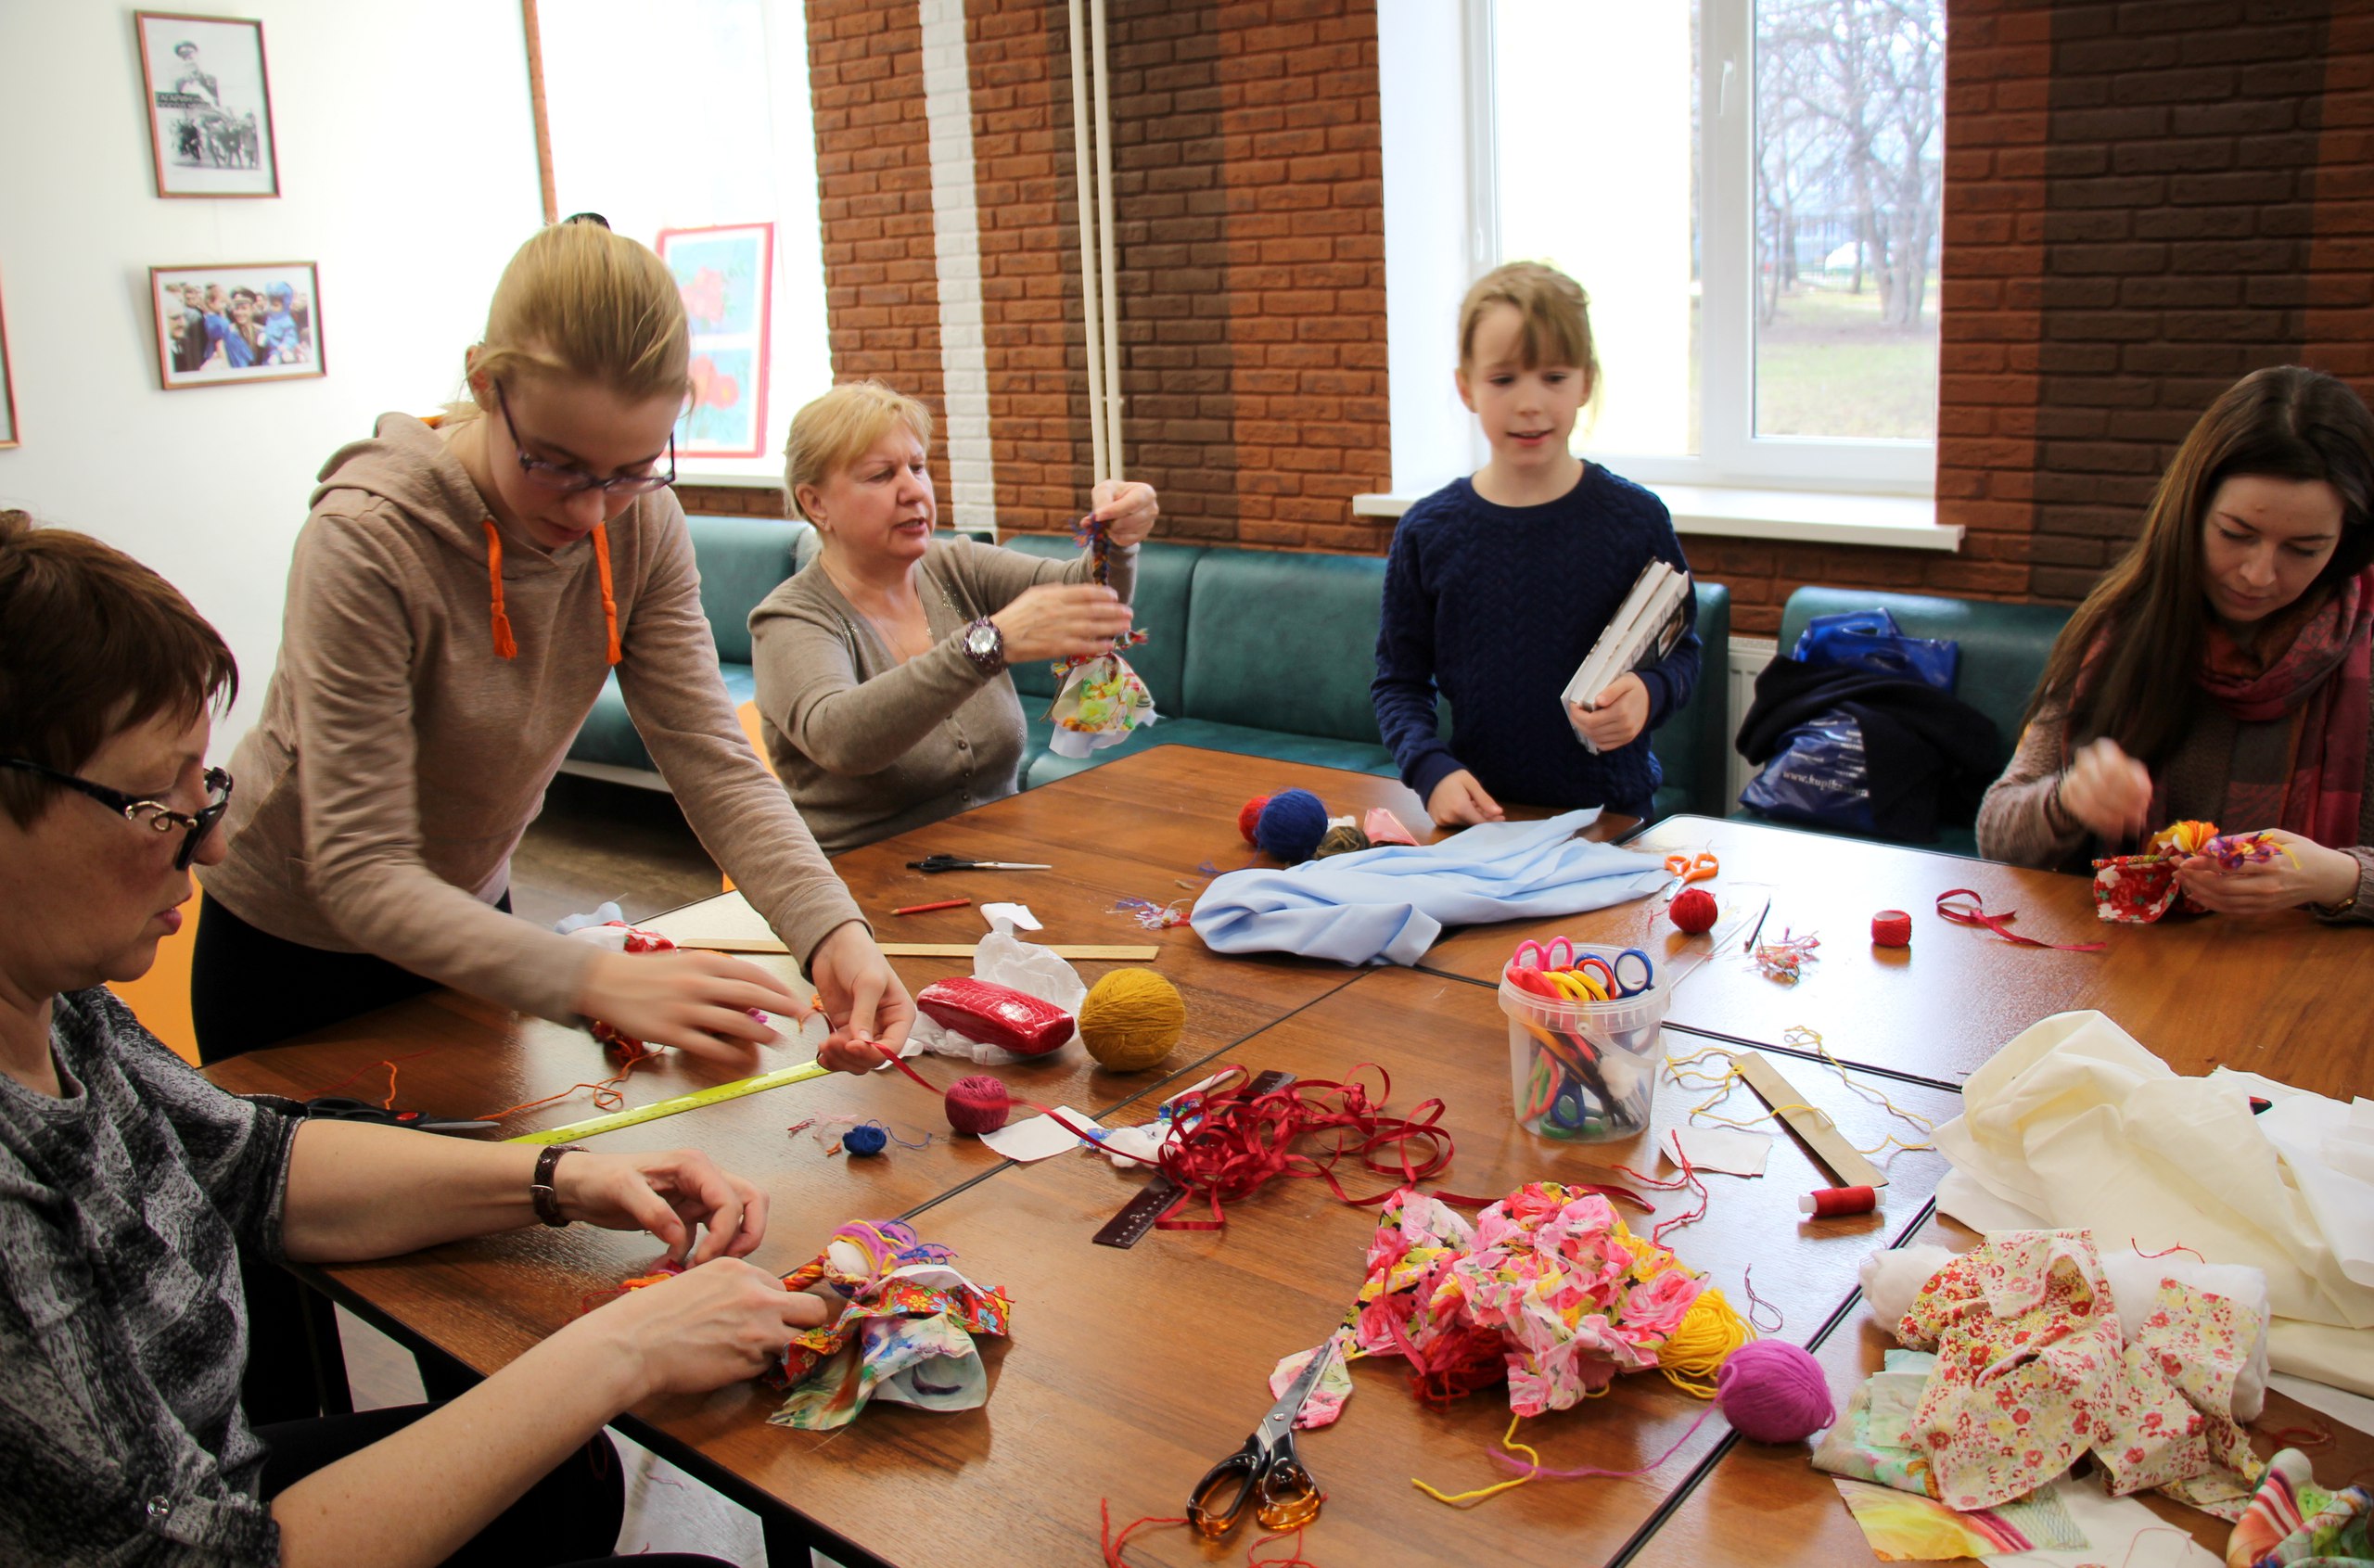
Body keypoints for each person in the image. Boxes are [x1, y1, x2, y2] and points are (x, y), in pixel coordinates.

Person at [0, 508, 828, 1568]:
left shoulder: (64, 1010)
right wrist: (616, 1350)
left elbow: (258, 1162)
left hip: (209, 1487)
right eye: (151, 800)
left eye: (201, 781)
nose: (207, 834)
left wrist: (560, 1177)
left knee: (560, 1474)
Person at [192, 219, 914, 1065]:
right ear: (485, 382)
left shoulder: (642, 522)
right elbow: (361, 868)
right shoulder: (367, 540)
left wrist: (832, 930)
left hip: (469, 915)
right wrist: (591, 978)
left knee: (495, 1172)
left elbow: (711, 757)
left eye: (632, 467)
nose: (589, 510)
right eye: (558, 464)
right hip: (292, 949)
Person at [1977, 364, 2374, 920]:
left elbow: (2343, 880)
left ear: (2347, 541)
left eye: (2305, 549)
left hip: (2316, 988)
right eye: (2236, 534)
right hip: (2134, 977)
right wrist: (2071, 796)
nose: (2259, 575)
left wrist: (2338, 877)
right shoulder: (2121, 629)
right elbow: (1996, 835)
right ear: (2190, 511)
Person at [747, 380, 1155, 854]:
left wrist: (1117, 537)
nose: (913, 491)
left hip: (1002, 870)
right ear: (816, 504)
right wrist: (986, 644)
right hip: (864, 893)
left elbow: (1090, 601)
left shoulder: (954, 566)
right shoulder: (791, 619)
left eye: (917, 468)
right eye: (881, 475)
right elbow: (840, 739)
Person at [1371, 261, 1701, 827]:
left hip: (1613, 822)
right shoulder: (1427, 531)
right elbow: (1399, 682)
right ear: (1466, 386)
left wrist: (1649, 693)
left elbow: (1683, 650)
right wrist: (1430, 769)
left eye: (1553, 377)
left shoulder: (1637, 518)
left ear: (1586, 382)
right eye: (1503, 380)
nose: (1529, 403)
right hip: (1484, 823)